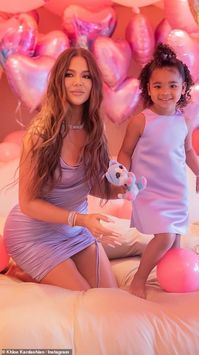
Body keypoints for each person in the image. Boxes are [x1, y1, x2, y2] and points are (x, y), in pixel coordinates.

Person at [4, 47, 120, 291]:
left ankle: (33, 274)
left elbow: (94, 185)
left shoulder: (96, 132)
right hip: (35, 235)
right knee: (85, 295)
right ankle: (30, 270)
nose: (78, 82)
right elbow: (28, 203)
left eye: (86, 76)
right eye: (70, 74)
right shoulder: (39, 135)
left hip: (76, 232)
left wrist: (124, 189)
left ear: (93, 84)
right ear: (59, 80)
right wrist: (81, 219)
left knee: (110, 295)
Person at [117, 43, 199, 299]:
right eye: (158, 85)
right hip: (150, 190)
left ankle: (172, 279)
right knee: (166, 235)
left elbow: (189, 151)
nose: (165, 91)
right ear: (148, 88)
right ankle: (139, 279)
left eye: (172, 85)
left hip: (175, 191)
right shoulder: (141, 121)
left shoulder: (184, 122)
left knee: (174, 242)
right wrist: (124, 174)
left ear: (183, 88)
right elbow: (125, 151)